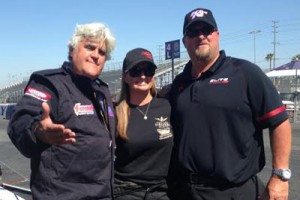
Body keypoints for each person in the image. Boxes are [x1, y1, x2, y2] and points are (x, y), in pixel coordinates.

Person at [168, 8, 292, 200]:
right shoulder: (179, 84)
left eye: (207, 30)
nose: (201, 36)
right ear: (185, 41)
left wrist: (280, 176)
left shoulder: (245, 73)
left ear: (217, 35)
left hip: (234, 191)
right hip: (186, 190)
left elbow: (280, 122)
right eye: (193, 32)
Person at [7, 23, 116, 200]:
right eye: (90, 47)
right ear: (72, 49)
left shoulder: (102, 91)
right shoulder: (50, 84)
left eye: (102, 52)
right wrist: (37, 131)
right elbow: (20, 122)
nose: (96, 55)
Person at [114, 48, 173, 200]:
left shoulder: (167, 106)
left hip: (161, 191)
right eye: (136, 71)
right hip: (125, 191)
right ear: (125, 77)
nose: (142, 76)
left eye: (148, 70)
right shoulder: (116, 113)